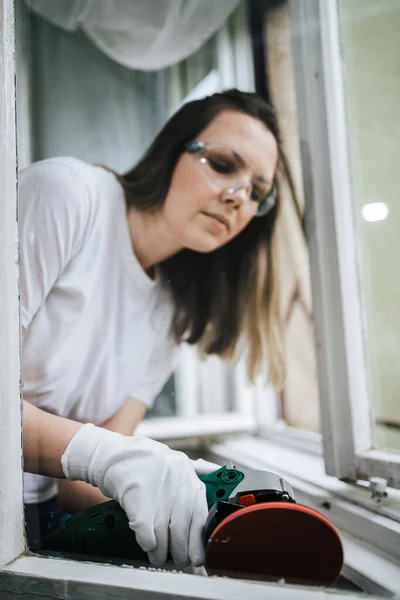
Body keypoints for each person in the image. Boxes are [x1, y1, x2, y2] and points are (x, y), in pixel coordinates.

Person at [20, 88, 289, 568]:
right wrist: (107, 455)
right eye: (224, 165)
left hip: (35, 525)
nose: (237, 198)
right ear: (172, 150)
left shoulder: (170, 312)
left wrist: (190, 500)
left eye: (257, 192)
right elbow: (94, 455)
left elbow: (77, 485)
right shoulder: (67, 194)